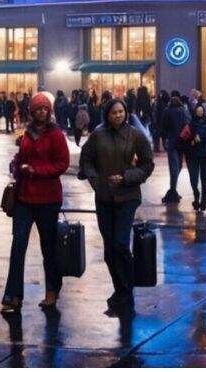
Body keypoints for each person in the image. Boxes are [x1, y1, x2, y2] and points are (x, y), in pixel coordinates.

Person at [78, 99, 155, 316]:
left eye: (121, 111)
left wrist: (126, 177)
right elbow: (87, 160)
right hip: (104, 198)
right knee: (110, 250)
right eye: (114, 112)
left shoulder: (135, 135)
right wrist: (95, 179)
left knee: (121, 244)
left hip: (128, 197)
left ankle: (127, 294)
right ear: (107, 114)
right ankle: (120, 291)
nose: (118, 115)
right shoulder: (98, 135)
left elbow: (147, 164)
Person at [2, 93, 70, 313]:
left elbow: (62, 164)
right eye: (38, 109)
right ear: (31, 111)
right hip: (24, 198)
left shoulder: (56, 135)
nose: (42, 112)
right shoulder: (27, 134)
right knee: (18, 245)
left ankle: (52, 289)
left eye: (45, 109)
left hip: (48, 199)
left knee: (48, 247)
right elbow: (20, 158)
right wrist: (15, 166)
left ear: (49, 112)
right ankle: (13, 296)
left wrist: (36, 171)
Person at [159, 94, 191, 203]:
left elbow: (163, 128)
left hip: (172, 142)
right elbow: (188, 124)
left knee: (173, 166)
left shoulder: (167, 111)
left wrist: (164, 141)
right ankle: (173, 189)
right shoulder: (183, 111)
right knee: (179, 165)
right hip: (181, 142)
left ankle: (173, 189)